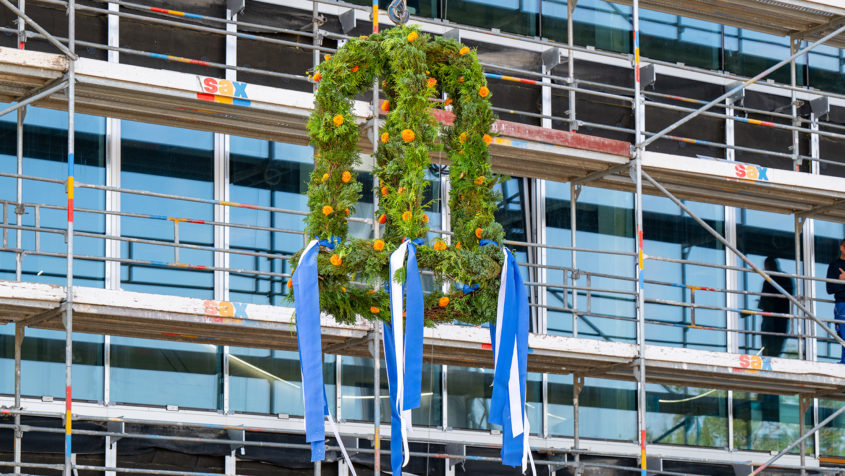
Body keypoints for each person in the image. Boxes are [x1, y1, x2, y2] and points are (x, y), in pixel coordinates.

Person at [758, 256, 793, 357]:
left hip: (771, 319)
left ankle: (767, 363)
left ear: (768, 266)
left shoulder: (769, 280)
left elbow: (763, 303)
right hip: (782, 318)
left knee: (768, 347)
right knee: (777, 347)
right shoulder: (787, 279)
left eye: (766, 267)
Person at [826, 239, 845, 364]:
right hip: (842, 305)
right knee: (843, 336)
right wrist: (842, 281)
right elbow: (830, 289)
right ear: (842, 248)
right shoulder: (835, 265)